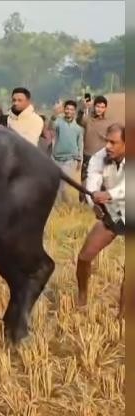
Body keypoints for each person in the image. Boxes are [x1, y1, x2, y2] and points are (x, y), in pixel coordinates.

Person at [75, 123, 125, 316]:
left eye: (114, 142)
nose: (108, 146)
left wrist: (108, 195)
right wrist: (93, 199)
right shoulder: (100, 156)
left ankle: (123, 316)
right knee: (84, 257)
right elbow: (93, 177)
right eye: (107, 141)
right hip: (113, 214)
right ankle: (82, 299)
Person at [78, 95, 114, 204]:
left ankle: (100, 203)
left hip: (103, 156)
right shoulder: (88, 120)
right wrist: (83, 108)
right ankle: (83, 204)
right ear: (94, 107)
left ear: (105, 108)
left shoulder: (109, 123)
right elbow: (79, 120)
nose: (100, 109)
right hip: (88, 155)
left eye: (102, 107)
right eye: (98, 106)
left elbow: (114, 137)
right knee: (85, 180)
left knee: (103, 181)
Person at [50, 100, 84, 203]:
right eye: (67, 109)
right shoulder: (58, 123)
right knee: (56, 184)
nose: (69, 111)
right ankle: (65, 207)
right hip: (56, 158)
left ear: (74, 111)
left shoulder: (78, 128)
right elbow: (51, 126)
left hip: (70, 159)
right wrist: (55, 114)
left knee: (63, 185)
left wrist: (79, 160)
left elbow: (80, 144)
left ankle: (59, 208)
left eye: (71, 109)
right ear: (64, 110)